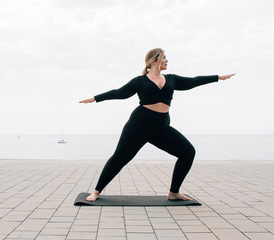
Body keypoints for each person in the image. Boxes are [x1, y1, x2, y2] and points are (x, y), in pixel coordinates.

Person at [79, 48, 235, 201]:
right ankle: (96, 191)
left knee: (188, 152)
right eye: (164, 57)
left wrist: (218, 77)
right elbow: (119, 93)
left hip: (161, 128)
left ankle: (174, 192)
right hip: (138, 126)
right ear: (154, 60)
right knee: (120, 158)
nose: (167, 60)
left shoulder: (171, 79)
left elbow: (194, 81)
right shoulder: (139, 81)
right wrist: (95, 98)